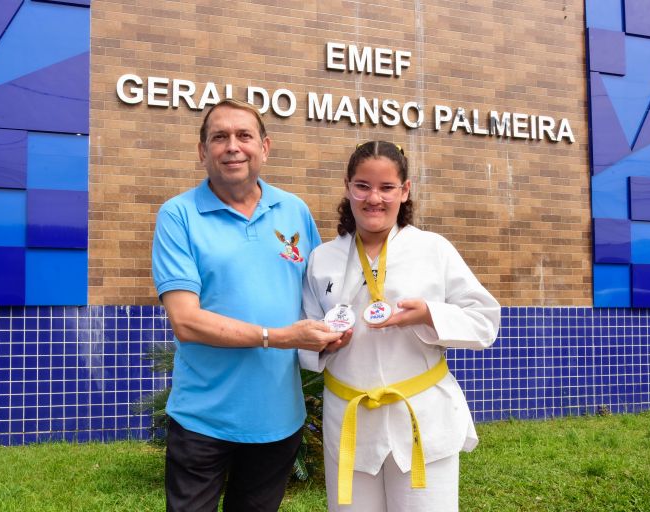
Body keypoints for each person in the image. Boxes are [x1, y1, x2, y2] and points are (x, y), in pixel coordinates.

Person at [152, 98, 350, 512]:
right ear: (202, 150)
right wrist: (278, 337)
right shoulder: (179, 216)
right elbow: (186, 322)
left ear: (265, 146)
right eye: (219, 137)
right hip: (202, 419)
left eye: (244, 135)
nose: (232, 146)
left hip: (279, 419)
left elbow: (322, 296)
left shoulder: (293, 210)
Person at [299, 141, 500, 511]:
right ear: (347, 186)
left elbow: (484, 320)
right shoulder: (321, 259)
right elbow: (305, 336)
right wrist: (323, 344)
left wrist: (429, 314)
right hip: (349, 422)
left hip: (421, 418)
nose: (374, 198)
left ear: (405, 191)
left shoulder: (433, 250)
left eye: (387, 187)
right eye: (363, 186)